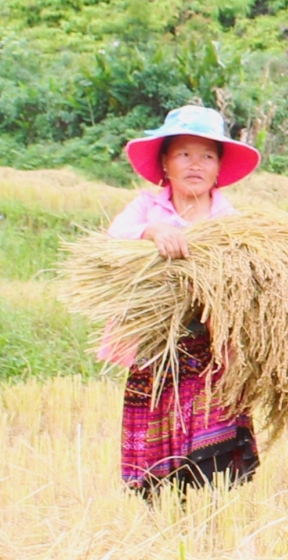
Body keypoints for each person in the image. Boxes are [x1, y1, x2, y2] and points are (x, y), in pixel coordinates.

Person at [103, 104, 262, 500]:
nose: (195, 164)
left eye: (207, 156)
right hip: (157, 349)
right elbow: (114, 237)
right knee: (158, 453)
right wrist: (152, 231)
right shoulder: (146, 208)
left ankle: (212, 519)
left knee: (214, 454)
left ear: (219, 167)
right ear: (165, 163)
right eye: (184, 154)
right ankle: (161, 518)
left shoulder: (231, 221)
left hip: (213, 351)